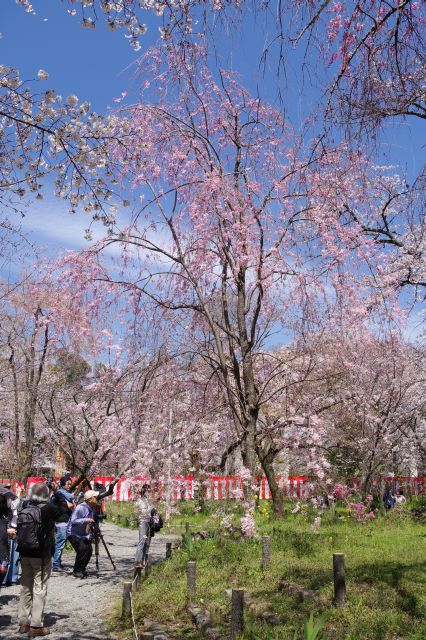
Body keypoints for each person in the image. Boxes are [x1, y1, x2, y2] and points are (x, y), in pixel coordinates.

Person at [17, 482, 59, 637]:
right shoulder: (49, 508)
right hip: (40, 555)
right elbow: (63, 510)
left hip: (24, 552)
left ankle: (23, 623)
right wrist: (57, 492)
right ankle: (36, 625)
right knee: (39, 588)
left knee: (25, 587)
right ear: (46, 495)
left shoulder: (25, 505)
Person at [66, 490, 98, 578]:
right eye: (95, 497)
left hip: (83, 534)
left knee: (89, 550)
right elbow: (73, 521)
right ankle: (76, 570)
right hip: (73, 533)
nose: (97, 499)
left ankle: (82, 569)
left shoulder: (91, 508)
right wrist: (86, 520)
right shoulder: (80, 507)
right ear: (90, 499)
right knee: (83, 548)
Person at [51, 475, 75, 572]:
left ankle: (57, 562)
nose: (69, 485)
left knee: (62, 543)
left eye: (70, 484)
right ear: (62, 484)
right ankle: (56, 564)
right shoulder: (59, 494)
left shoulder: (68, 494)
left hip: (66, 521)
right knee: (60, 543)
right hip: (62, 521)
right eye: (67, 484)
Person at [134, 484, 154, 569]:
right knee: (142, 541)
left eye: (150, 491)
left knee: (147, 542)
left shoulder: (149, 500)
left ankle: (144, 561)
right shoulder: (141, 501)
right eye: (148, 491)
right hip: (143, 522)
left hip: (149, 522)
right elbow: (144, 512)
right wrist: (152, 507)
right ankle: (138, 561)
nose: (149, 493)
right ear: (143, 491)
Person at [0, 493, 15, 587]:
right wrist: (7, 531)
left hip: (4, 547)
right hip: (2, 549)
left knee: (4, 568)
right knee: (3, 568)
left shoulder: (5, 516)